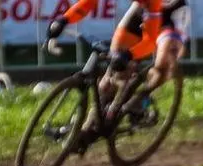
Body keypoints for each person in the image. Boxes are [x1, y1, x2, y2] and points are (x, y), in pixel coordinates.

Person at [47, 1, 189, 134]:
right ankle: (88, 124)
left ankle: (140, 100)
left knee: (164, 61)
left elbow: (150, 42)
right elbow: (89, 3)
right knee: (111, 77)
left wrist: (128, 55)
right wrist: (64, 20)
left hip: (172, 15)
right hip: (142, 10)